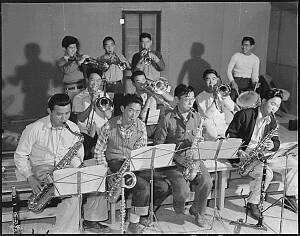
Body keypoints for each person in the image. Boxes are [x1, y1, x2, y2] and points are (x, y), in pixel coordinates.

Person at [13, 93, 111, 233]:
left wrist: (78, 167)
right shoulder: (34, 128)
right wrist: (29, 176)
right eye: (59, 114)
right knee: (72, 192)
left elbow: (77, 155)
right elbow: (20, 155)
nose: (64, 118)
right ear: (49, 111)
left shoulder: (73, 129)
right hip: (41, 168)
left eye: (68, 113)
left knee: (96, 176)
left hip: (65, 169)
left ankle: (86, 222)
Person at [94, 93, 171, 233]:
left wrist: (137, 163)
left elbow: (140, 152)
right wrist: (108, 172)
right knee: (142, 186)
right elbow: (98, 152)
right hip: (116, 162)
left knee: (163, 186)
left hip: (135, 163)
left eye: (137, 111)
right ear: (123, 109)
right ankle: (133, 223)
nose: (134, 115)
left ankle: (144, 213)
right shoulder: (108, 126)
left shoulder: (140, 126)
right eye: (131, 110)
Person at [225, 88, 298, 219]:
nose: (275, 109)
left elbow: (276, 141)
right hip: (246, 157)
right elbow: (230, 134)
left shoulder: (273, 121)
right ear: (264, 101)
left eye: (277, 106)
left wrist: (273, 145)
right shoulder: (245, 114)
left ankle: (290, 197)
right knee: (267, 173)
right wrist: (239, 150)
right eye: (273, 104)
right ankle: (253, 203)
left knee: (293, 163)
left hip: (264, 156)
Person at [153, 84, 213, 228]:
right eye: (187, 99)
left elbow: (200, 140)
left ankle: (198, 211)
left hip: (193, 158)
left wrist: (201, 143)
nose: (191, 102)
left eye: (192, 99)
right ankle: (179, 205)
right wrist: (176, 157)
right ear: (176, 99)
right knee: (183, 192)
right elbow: (158, 145)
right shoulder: (166, 118)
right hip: (172, 160)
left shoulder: (197, 117)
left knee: (207, 181)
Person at [72, 67, 112, 160]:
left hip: (102, 132)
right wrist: (92, 104)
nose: (95, 83)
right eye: (92, 80)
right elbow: (80, 118)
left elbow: (109, 116)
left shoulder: (104, 95)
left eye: (98, 80)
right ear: (87, 80)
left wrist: (100, 103)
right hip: (85, 134)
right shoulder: (78, 97)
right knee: (87, 155)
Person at [130, 70, 174, 139]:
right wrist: (148, 98)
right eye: (138, 81)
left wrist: (159, 90)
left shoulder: (152, 91)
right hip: (144, 127)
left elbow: (171, 99)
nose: (142, 83)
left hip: (157, 125)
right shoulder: (133, 97)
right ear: (133, 84)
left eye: (143, 80)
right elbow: (141, 116)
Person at [195, 69, 235, 140]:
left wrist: (224, 97)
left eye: (213, 79)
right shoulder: (199, 97)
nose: (211, 82)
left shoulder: (222, 92)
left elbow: (231, 107)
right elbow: (206, 115)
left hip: (224, 125)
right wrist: (215, 99)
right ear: (204, 81)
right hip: (209, 128)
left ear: (217, 80)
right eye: (208, 79)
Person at [227, 36, 260, 101]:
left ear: (252, 46)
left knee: (250, 101)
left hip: (249, 83)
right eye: (243, 45)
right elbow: (228, 71)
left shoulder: (256, 59)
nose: (244, 47)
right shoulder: (236, 56)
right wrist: (233, 82)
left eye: (246, 45)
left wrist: (255, 83)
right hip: (236, 81)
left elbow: (254, 75)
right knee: (231, 100)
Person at [56, 35, 90, 101]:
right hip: (70, 92)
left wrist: (89, 63)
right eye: (71, 48)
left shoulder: (78, 59)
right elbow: (67, 70)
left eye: (75, 47)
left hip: (83, 90)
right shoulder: (61, 61)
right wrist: (79, 62)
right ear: (64, 48)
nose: (74, 50)